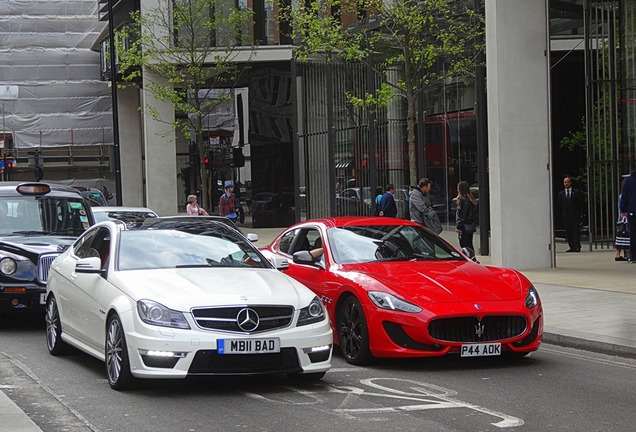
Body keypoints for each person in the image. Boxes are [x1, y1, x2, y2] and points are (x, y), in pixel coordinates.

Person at [557, 176, 584, 252]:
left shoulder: (577, 192)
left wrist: (581, 214)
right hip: (566, 216)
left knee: (576, 231)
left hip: (575, 215)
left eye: (568, 182)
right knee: (569, 232)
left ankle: (577, 246)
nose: (566, 184)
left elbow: (580, 204)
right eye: (565, 182)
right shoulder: (561, 194)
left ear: (571, 183)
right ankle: (571, 246)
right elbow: (561, 205)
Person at [455, 181, 478, 251]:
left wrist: (459, 226)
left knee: (464, 245)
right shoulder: (470, 200)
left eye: (458, 188)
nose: (457, 190)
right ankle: (472, 257)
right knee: (469, 244)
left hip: (464, 227)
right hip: (469, 226)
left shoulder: (463, 200)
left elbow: (462, 216)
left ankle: (470, 258)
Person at [620, 170, 636, 262]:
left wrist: (623, 209)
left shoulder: (629, 180)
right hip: (632, 210)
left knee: (633, 235)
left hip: (632, 211)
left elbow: (624, 195)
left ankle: (633, 256)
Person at [615, 179, 630, 261]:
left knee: (620, 236)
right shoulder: (625, 196)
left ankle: (618, 254)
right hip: (625, 219)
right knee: (627, 236)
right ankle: (627, 253)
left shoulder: (621, 196)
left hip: (621, 220)